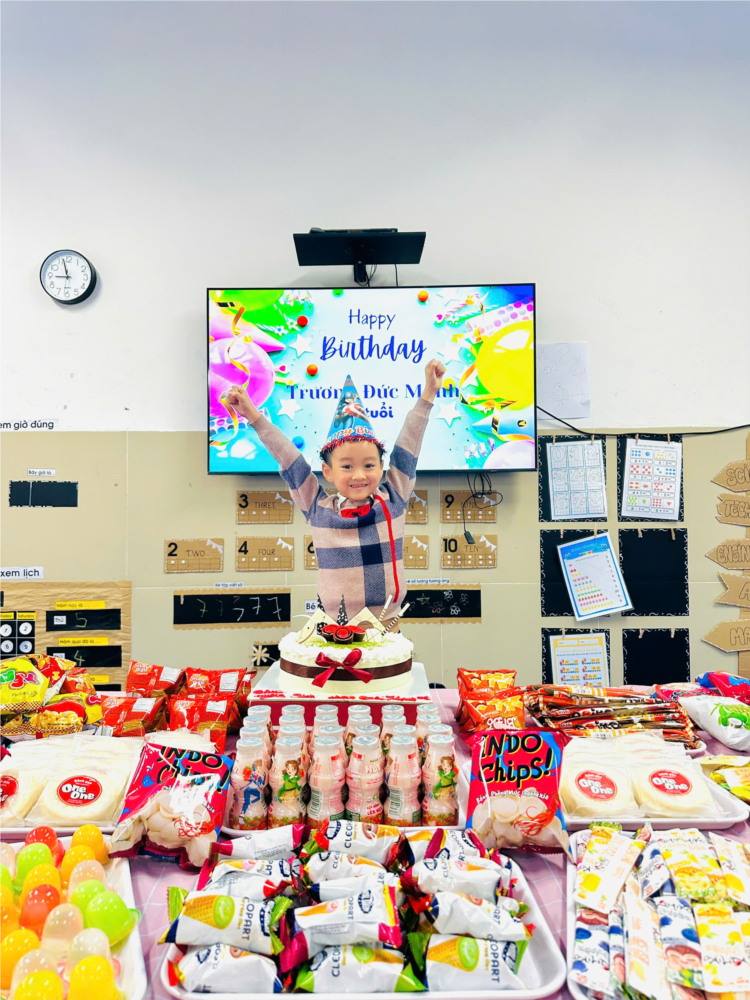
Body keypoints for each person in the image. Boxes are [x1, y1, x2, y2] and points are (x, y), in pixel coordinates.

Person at [225, 358, 446, 621]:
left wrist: (429, 393)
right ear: (328, 472)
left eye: (369, 465)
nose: (359, 475)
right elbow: (289, 459)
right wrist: (253, 416)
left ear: (381, 467)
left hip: (387, 623)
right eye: (347, 466)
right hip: (334, 626)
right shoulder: (318, 509)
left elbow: (409, 443)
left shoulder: (394, 498)